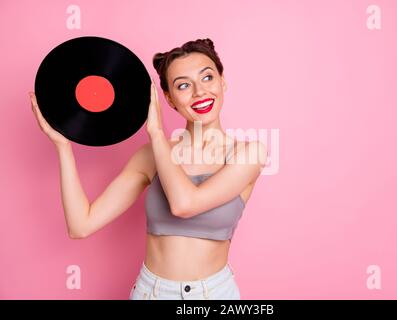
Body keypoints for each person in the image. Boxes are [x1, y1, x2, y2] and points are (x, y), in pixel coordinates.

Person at [29, 38, 267, 300]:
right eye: (183, 85)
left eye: (207, 78)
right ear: (169, 98)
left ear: (222, 82)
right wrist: (63, 146)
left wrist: (155, 133)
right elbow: (81, 225)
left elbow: (184, 204)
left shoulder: (249, 153)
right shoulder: (151, 157)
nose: (199, 92)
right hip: (150, 293)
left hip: (214, 294)